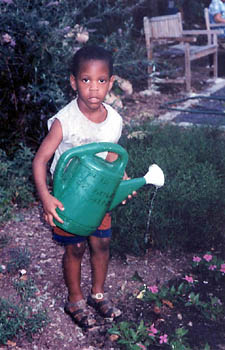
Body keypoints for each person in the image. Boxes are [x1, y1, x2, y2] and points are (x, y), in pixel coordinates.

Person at [32, 45, 127, 330]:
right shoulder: (65, 121)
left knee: (101, 243)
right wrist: (47, 198)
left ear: (111, 83)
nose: (94, 89)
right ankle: (75, 299)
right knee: (74, 248)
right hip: (69, 196)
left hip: (97, 196)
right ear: (74, 82)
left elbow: (112, 160)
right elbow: (40, 161)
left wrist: (122, 182)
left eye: (101, 81)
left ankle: (98, 293)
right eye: (86, 80)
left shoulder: (114, 121)